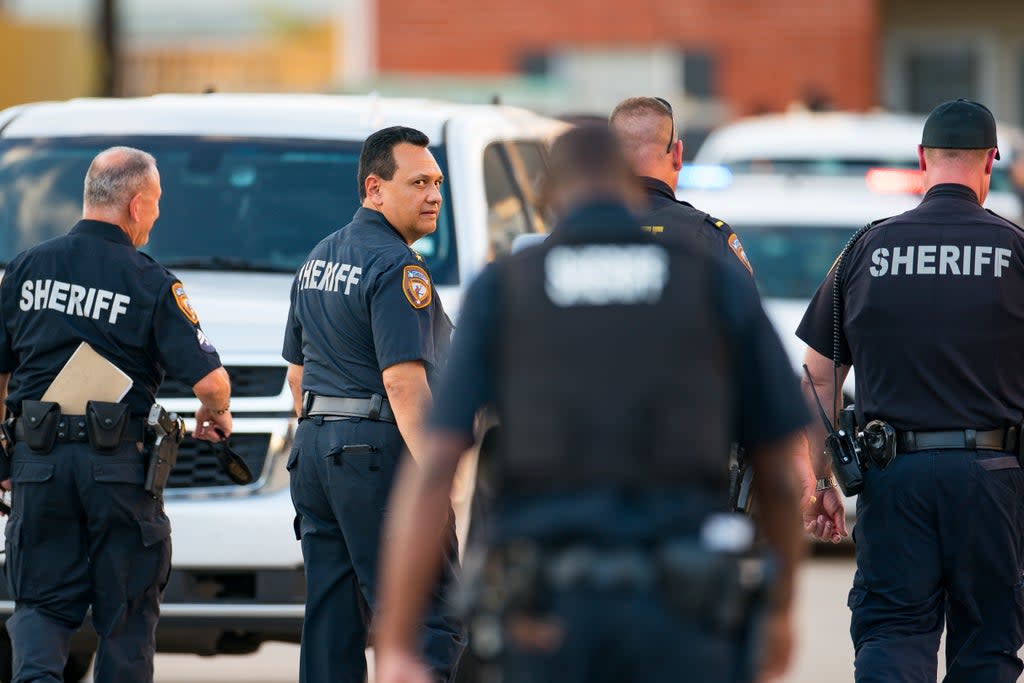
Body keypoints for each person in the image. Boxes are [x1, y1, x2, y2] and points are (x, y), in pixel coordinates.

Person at [374, 124, 808, 683]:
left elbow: (435, 467)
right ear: (630, 188)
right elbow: (777, 469)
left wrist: (396, 643)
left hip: (548, 615)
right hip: (681, 612)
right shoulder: (711, 279)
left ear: (545, 196)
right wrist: (779, 611)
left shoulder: (507, 288)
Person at [797, 98, 1024, 682]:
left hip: (894, 479)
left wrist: (820, 479)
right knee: (988, 647)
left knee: (893, 636)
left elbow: (819, 376)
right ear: (990, 161)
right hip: (995, 481)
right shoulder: (1016, 251)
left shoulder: (866, 249)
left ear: (922, 159)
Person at [0, 146, 232, 683]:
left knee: (40, 606)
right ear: (134, 206)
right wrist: (215, 413)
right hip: (116, 470)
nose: (155, 215)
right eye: (155, 203)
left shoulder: (28, 267)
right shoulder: (150, 281)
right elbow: (211, 381)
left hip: (38, 463)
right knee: (125, 617)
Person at [281, 126, 463, 683]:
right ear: (375, 188)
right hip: (375, 455)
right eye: (418, 183)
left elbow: (296, 375)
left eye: (436, 182)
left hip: (314, 452)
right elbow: (405, 385)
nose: (434, 195)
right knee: (425, 616)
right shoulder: (398, 267)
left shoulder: (319, 256)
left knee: (333, 622)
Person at [609, 96, 754, 275]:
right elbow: (745, 301)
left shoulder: (574, 234)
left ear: (609, 156)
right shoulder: (709, 236)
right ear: (678, 154)